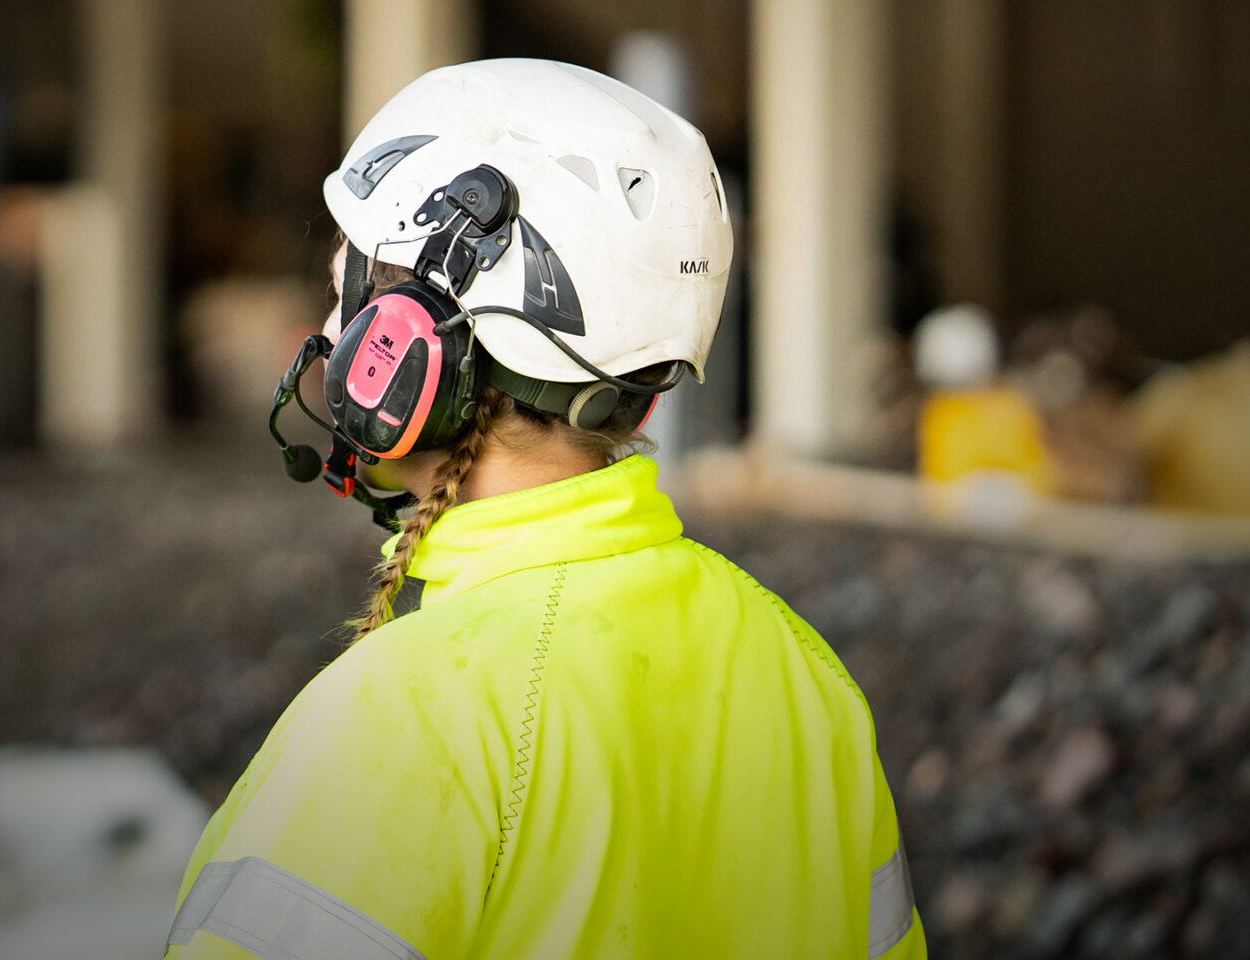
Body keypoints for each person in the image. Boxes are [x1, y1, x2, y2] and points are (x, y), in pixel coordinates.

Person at [173, 60, 924, 959]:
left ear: (408, 342)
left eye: (344, 294)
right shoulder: (806, 675)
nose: (331, 337)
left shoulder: (397, 721)